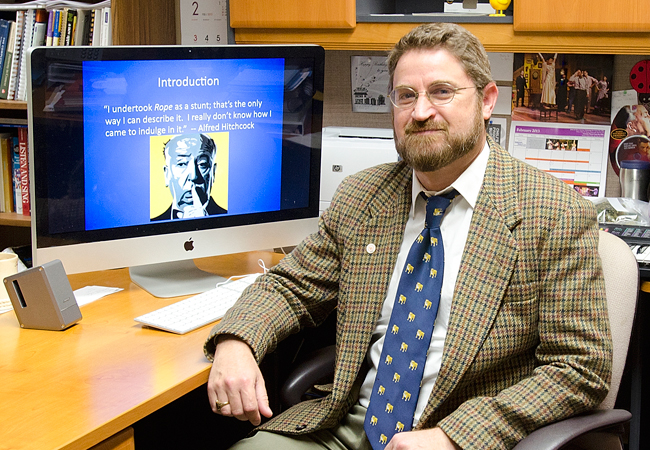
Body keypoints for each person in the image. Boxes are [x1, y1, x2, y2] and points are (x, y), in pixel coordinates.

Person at [205, 23, 612, 450]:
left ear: (487, 100)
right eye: (406, 96)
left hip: (463, 434)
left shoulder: (553, 213)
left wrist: (456, 437)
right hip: (347, 425)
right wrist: (236, 341)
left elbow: (580, 368)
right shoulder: (363, 197)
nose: (420, 112)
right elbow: (290, 287)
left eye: (441, 91)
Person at [152, 133, 226, 221]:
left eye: (202, 164)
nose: (193, 176)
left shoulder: (234, 220)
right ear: (167, 174)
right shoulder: (149, 227)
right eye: (182, 164)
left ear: (213, 172)